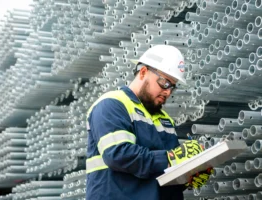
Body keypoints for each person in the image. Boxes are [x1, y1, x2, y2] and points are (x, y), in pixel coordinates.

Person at [86, 45, 211, 200]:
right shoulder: (112, 104)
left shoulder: (165, 120)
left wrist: (187, 175)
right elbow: (118, 155)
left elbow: (163, 171)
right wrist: (171, 158)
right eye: (165, 83)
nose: (168, 92)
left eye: (172, 87)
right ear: (143, 72)